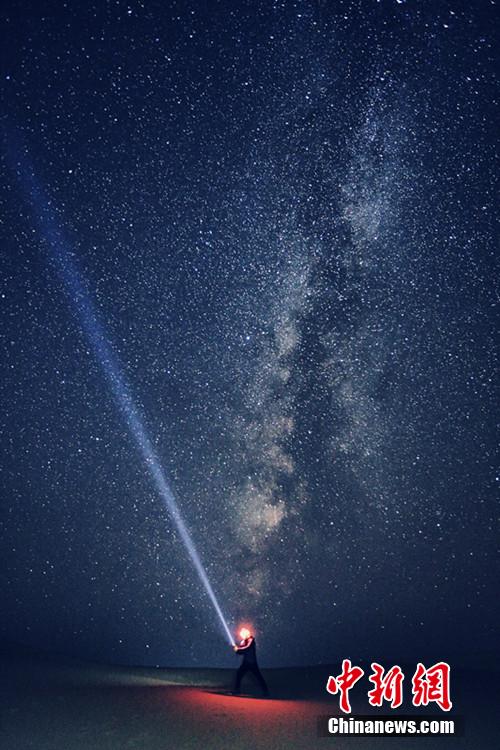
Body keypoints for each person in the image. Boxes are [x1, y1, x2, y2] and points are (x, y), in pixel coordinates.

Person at [232, 627, 269, 697]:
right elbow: (240, 652)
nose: (242, 635)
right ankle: (237, 690)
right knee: (239, 674)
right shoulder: (243, 641)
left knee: (258, 677)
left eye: (243, 633)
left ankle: (266, 692)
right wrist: (236, 649)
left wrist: (238, 649)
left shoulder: (251, 639)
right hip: (246, 663)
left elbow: (247, 648)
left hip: (252, 663)